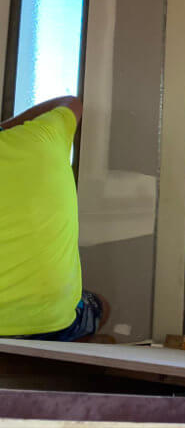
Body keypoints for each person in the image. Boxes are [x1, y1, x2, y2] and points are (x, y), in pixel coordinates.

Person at [0, 96, 109, 341]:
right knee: (101, 304)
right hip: (48, 325)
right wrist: (5, 127)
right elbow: (71, 102)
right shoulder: (42, 136)